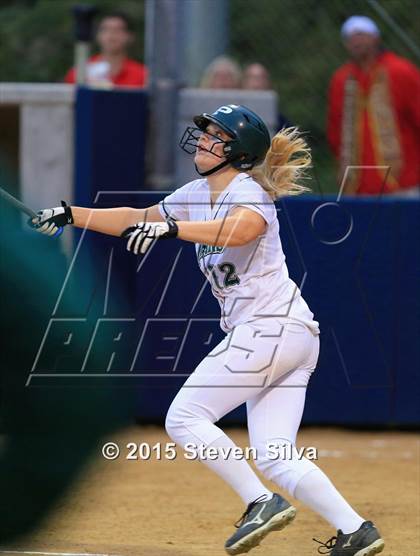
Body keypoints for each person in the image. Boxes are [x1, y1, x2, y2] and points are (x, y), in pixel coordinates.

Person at [30, 104, 385, 556]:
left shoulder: (248, 192)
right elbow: (136, 217)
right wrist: (70, 214)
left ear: (238, 152)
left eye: (216, 135)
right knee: (276, 455)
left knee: (183, 417)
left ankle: (260, 502)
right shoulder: (198, 192)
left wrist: (172, 229)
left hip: (270, 329)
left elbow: (239, 231)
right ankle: (356, 530)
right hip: (286, 335)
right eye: (205, 132)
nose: (203, 138)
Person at [327, 15, 420, 197]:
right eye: (350, 38)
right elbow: (334, 131)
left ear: (376, 38)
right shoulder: (341, 79)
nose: (356, 41)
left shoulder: (401, 71)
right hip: (356, 186)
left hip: (402, 182)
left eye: (361, 35)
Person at [64, 11, 147, 88]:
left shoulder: (143, 75)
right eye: (105, 29)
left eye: (118, 30)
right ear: (98, 35)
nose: (112, 34)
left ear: (130, 36)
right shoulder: (79, 73)